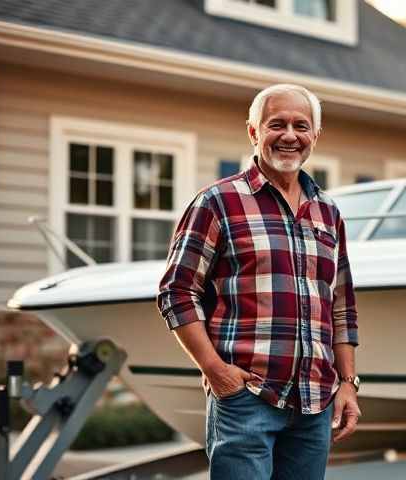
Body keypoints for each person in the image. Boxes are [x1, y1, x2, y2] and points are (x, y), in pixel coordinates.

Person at [156, 83, 360, 480]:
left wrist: (348, 383)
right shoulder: (216, 202)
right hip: (246, 399)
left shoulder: (328, 212)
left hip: (315, 403)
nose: (289, 135)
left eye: (301, 126)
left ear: (314, 137)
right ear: (253, 132)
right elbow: (177, 292)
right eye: (276, 124)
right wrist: (216, 370)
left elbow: (341, 304)